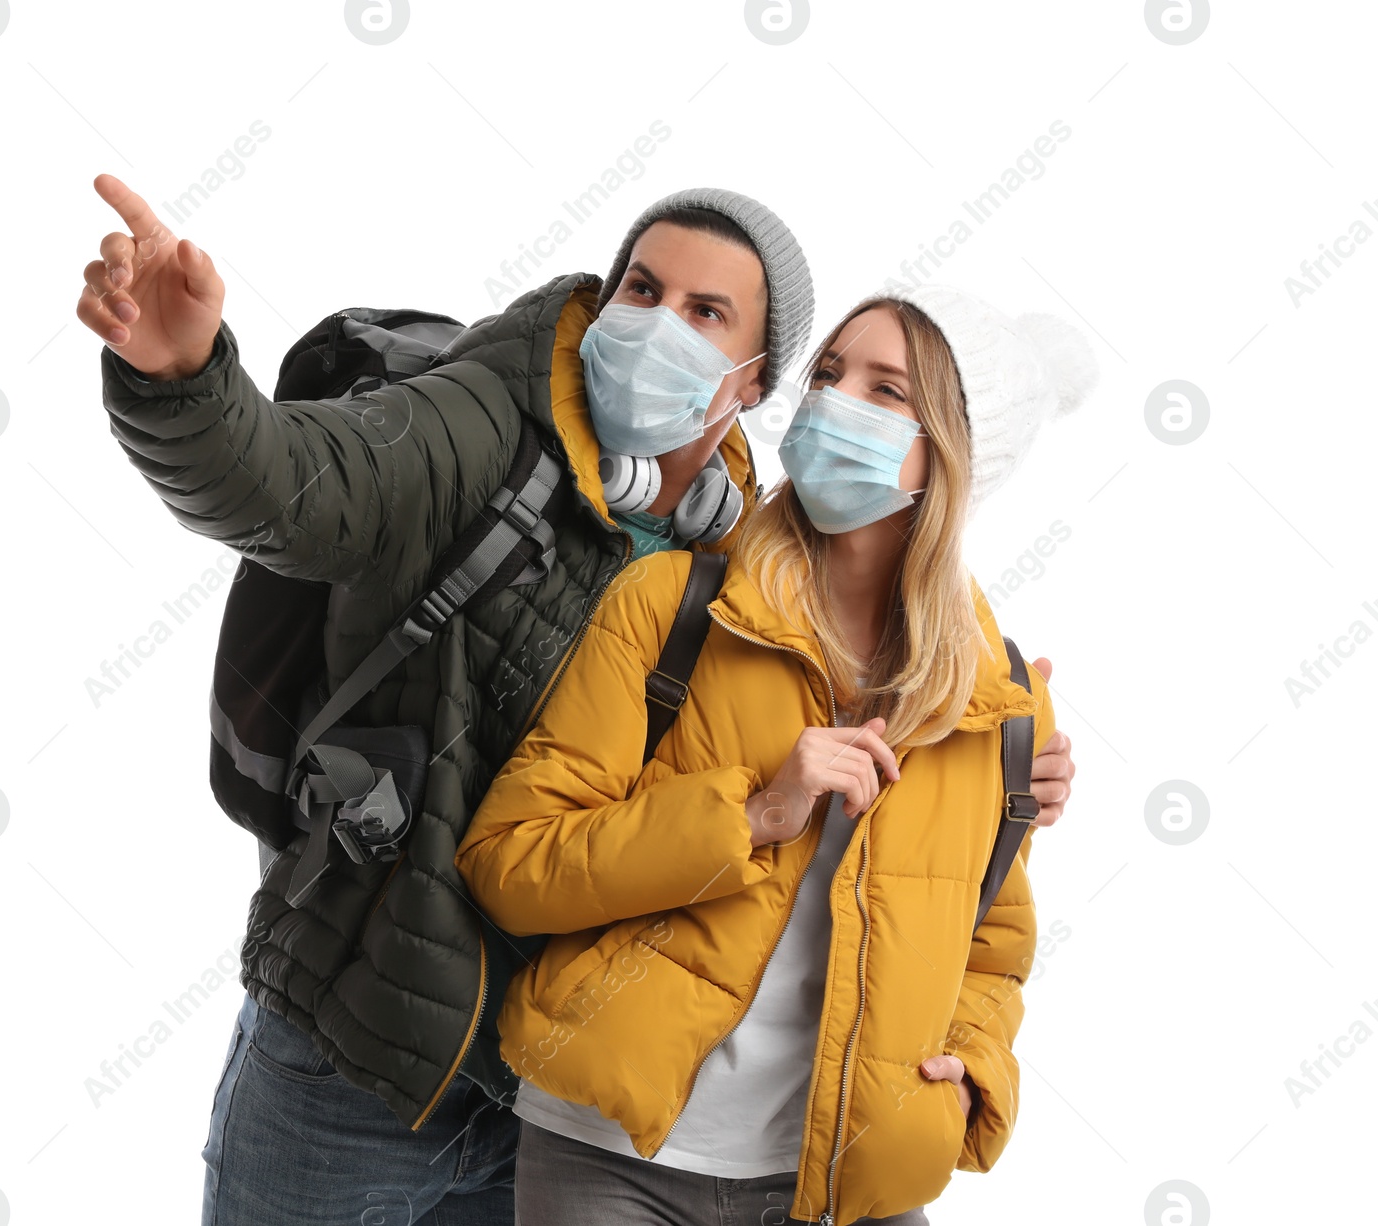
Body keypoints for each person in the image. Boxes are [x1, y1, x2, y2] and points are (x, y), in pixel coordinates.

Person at [76, 174, 1078, 1224]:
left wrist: (1004, 764)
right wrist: (184, 375)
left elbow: (919, 864)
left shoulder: (737, 556)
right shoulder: (474, 430)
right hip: (365, 1039)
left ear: (749, 379)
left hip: (554, 1085)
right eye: (639, 289)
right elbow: (289, 481)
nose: (657, 326)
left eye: (705, 312)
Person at [454, 285, 1097, 1225]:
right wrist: (752, 814)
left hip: (849, 1186)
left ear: (950, 454)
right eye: (831, 374)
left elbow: (991, 950)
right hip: (613, 1159)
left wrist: (973, 1068)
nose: (835, 404)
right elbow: (508, 864)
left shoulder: (995, 702)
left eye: (887, 392)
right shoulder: (671, 605)